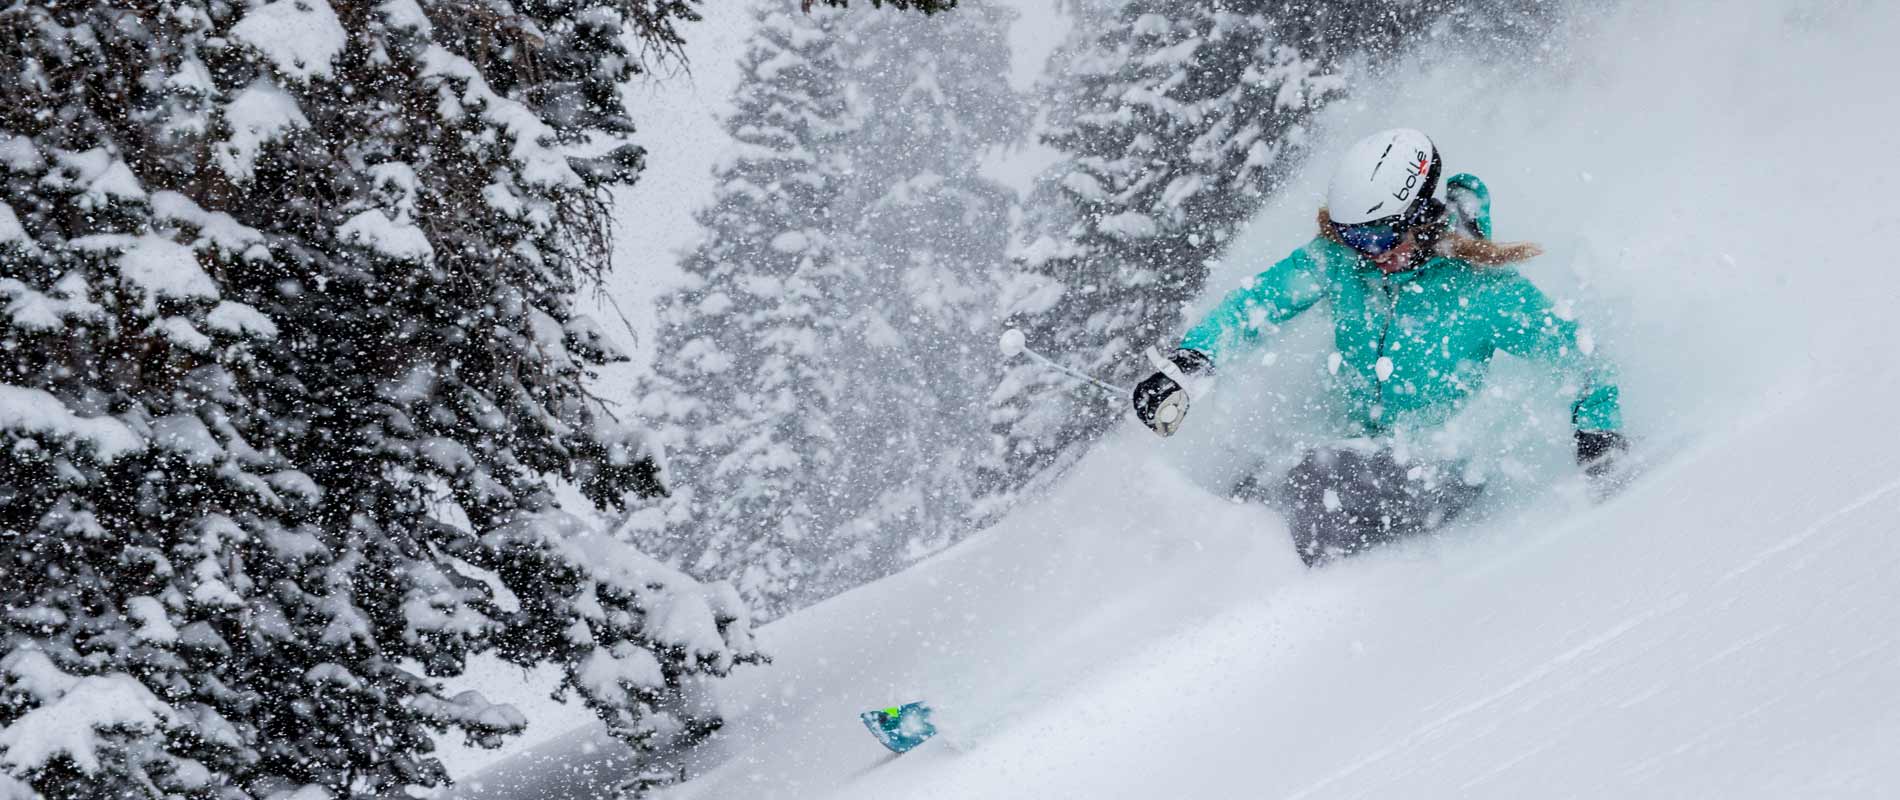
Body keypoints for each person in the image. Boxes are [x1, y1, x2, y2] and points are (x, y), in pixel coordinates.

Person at [1131, 128, 1628, 566]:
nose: (1370, 253)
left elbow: (1580, 356)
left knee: (1311, 482)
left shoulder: (1484, 289)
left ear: (1422, 218)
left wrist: (1599, 434)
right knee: (1251, 488)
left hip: (1441, 471)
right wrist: (1191, 362)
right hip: (1363, 452)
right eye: (1354, 237)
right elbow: (1257, 302)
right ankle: (1217, 587)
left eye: (1378, 236)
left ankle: (1300, 600)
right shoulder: (1345, 260)